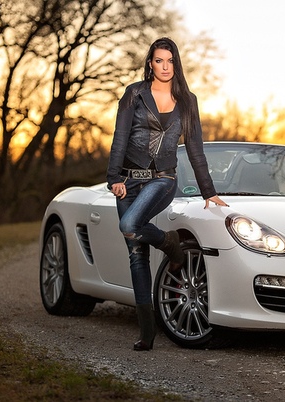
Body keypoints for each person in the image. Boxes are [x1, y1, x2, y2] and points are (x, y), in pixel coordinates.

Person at [106, 37, 228, 351]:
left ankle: (169, 243)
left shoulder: (187, 101)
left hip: (162, 179)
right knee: (136, 254)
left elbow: (196, 149)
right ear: (150, 63)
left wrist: (209, 191)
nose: (164, 66)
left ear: (176, 64)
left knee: (129, 226)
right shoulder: (134, 93)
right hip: (128, 182)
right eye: (159, 60)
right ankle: (146, 333)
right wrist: (114, 177)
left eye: (170, 61)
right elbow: (120, 136)